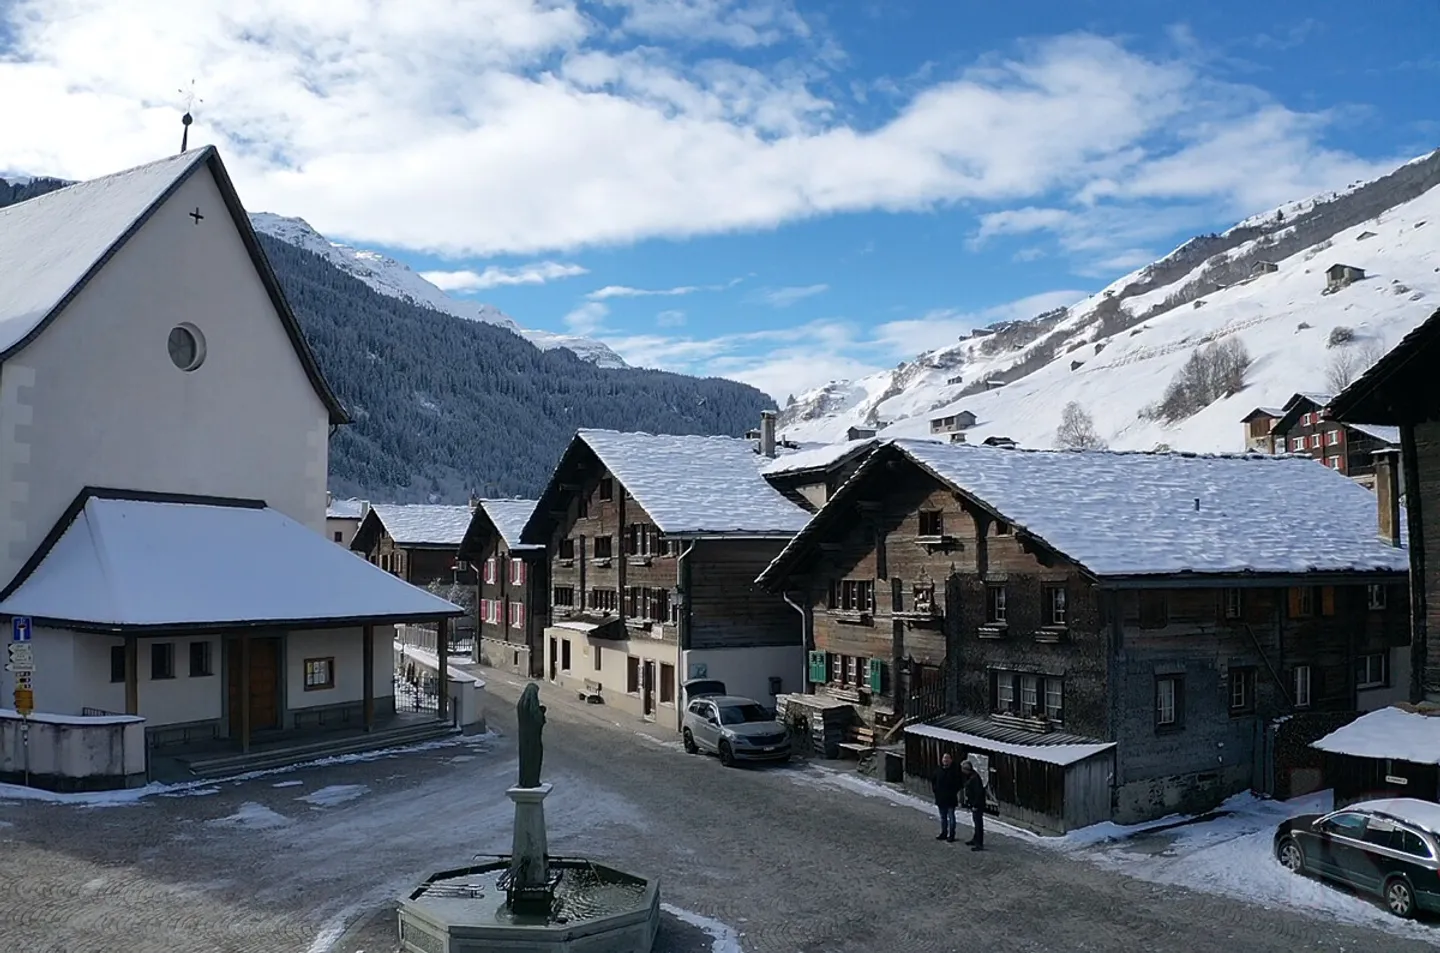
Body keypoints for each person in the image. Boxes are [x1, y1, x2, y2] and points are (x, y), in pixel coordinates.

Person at [931, 752, 962, 842]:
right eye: (944, 758)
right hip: (940, 798)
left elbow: (959, 784)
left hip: (950, 798)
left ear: (951, 760)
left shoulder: (954, 771)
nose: (945, 760)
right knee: (943, 817)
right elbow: (933, 781)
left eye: (947, 758)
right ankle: (944, 833)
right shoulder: (938, 770)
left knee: (951, 817)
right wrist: (936, 790)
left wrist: (953, 792)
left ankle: (951, 834)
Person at [960, 759, 986, 850]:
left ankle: (979, 843)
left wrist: (975, 805)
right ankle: (975, 839)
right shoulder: (971, 776)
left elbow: (978, 793)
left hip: (978, 805)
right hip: (974, 803)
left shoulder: (974, 778)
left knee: (978, 823)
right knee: (976, 822)